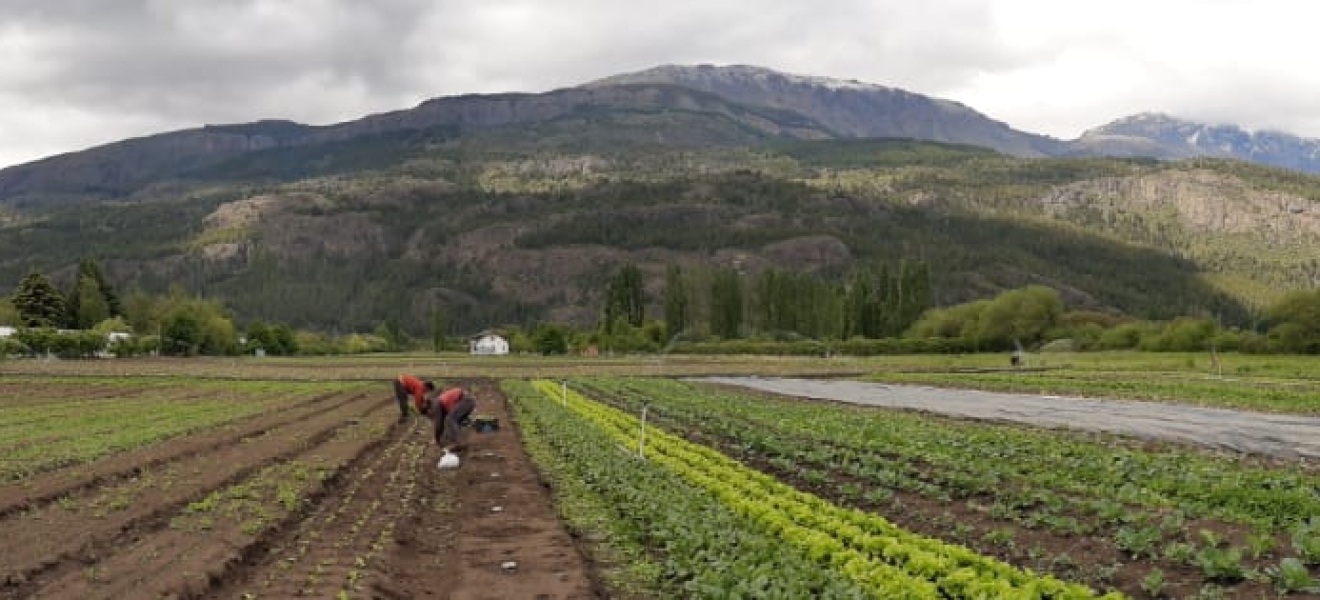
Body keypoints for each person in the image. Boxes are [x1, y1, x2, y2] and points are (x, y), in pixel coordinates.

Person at [424, 386, 476, 457]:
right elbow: (442, 424)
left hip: (466, 400)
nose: (431, 416)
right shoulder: (440, 403)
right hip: (469, 401)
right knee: (453, 421)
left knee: (450, 419)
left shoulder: (436, 404)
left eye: (429, 414)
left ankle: (460, 443)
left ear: (429, 409)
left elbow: (438, 424)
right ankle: (460, 441)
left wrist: (437, 439)